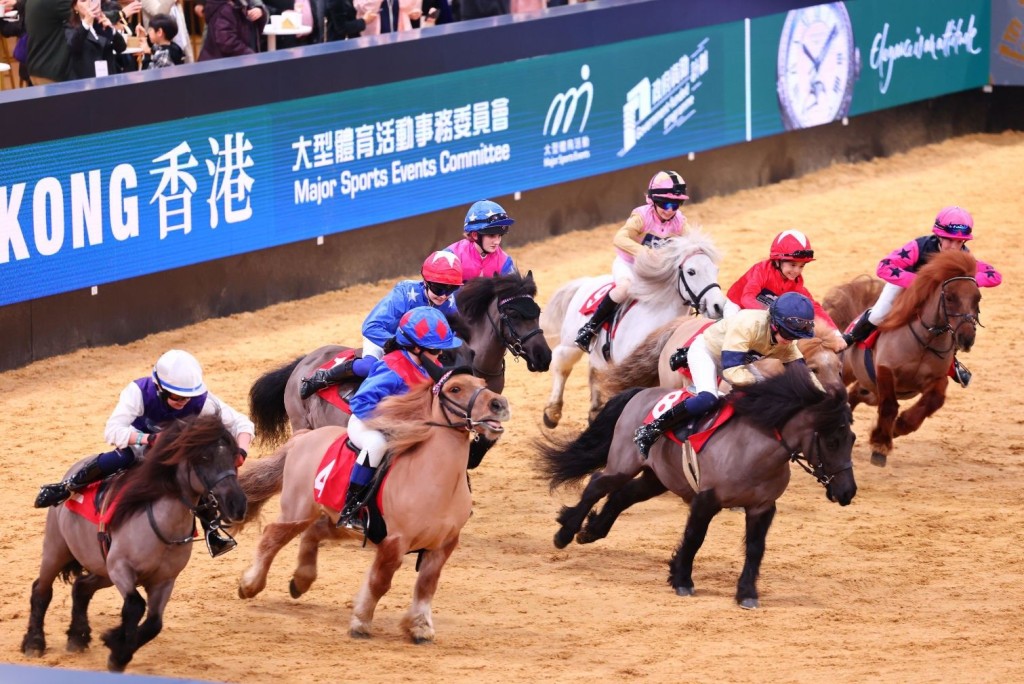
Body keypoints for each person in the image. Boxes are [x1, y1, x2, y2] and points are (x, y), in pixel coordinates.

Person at [34, 349, 255, 557]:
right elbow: (112, 430)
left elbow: (242, 425)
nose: (184, 402)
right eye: (177, 397)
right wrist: (147, 439)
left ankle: (212, 531)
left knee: (199, 474)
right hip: (139, 445)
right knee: (124, 457)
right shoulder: (138, 392)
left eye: (187, 398)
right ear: (159, 388)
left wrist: (241, 452)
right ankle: (69, 486)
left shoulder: (200, 398)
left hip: (174, 452)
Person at [634, 292, 817, 458]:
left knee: (768, 400)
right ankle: (651, 429)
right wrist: (769, 388)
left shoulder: (787, 343)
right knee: (708, 398)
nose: (789, 340)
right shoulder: (748, 325)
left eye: (795, 336)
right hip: (710, 353)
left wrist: (821, 396)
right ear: (774, 323)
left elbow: (804, 377)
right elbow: (732, 372)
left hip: (737, 358)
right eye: (787, 332)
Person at [842, 205, 1002, 386]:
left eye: (960, 242)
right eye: (949, 240)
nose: (954, 247)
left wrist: (964, 282)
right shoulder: (918, 247)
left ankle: (951, 362)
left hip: (938, 295)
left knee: (954, 320)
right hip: (904, 286)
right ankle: (851, 337)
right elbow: (884, 266)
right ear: (938, 235)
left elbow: (995, 276)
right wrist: (920, 281)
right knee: (880, 314)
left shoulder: (964, 256)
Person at [337, 306, 463, 530]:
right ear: (415, 347)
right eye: (435, 350)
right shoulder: (391, 368)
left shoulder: (432, 366)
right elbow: (360, 403)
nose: (440, 355)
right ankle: (351, 507)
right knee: (377, 446)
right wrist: (391, 426)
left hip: (406, 425)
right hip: (368, 423)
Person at [299, 250, 463, 399]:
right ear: (426, 281)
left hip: (422, 348)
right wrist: (400, 345)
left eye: (451, 290)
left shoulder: (450, 303)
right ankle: (323, 377)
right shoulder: (404, 294)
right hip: (385, 338)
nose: (444, 296)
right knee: (369, 367)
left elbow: (451, 334)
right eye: (439, 289)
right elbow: (370, 327)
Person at [575, 170, 689, 351]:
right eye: (665, 204)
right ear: (653, 201)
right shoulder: (641, 216)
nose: (670, 210)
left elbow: (690, 243)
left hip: (655, 270)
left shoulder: (680, 221)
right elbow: (620, 239)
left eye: (676, 205)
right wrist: (645, 252)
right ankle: (590, 328)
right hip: (629, 265)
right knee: (624, 288)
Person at [724, 229, 847, 350]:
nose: (797, 271)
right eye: (793, 265)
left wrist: (835, 334)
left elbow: (815, 308)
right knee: (732, 336)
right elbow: (747, 298)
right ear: (777, 261)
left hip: (764, 316)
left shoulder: (796, 284)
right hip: (737, 306)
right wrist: (772, 315)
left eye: (801, 266)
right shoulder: (760, 271)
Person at [445, 199, 517, 281]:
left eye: (500, 235)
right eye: (492, 235)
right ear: (475, 235)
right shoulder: (450, 257)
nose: (497, 242)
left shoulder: (505, 262)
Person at [64, 0, 126, 79]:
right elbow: (74, 46)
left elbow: (121, 48)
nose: (89, 3)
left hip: (108, 79)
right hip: (85, 82)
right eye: (84, 1)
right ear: (75, 7)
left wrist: (112, 30)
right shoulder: (71, 27)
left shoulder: (102, 24)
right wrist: (86, 24)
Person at [198, 0, 266, 60]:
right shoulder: (225, 8)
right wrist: (248, 53)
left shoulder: (243, 4)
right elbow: (226, 41)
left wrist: (261, 12)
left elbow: (254, 31)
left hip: (235, 61)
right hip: (221, 65)